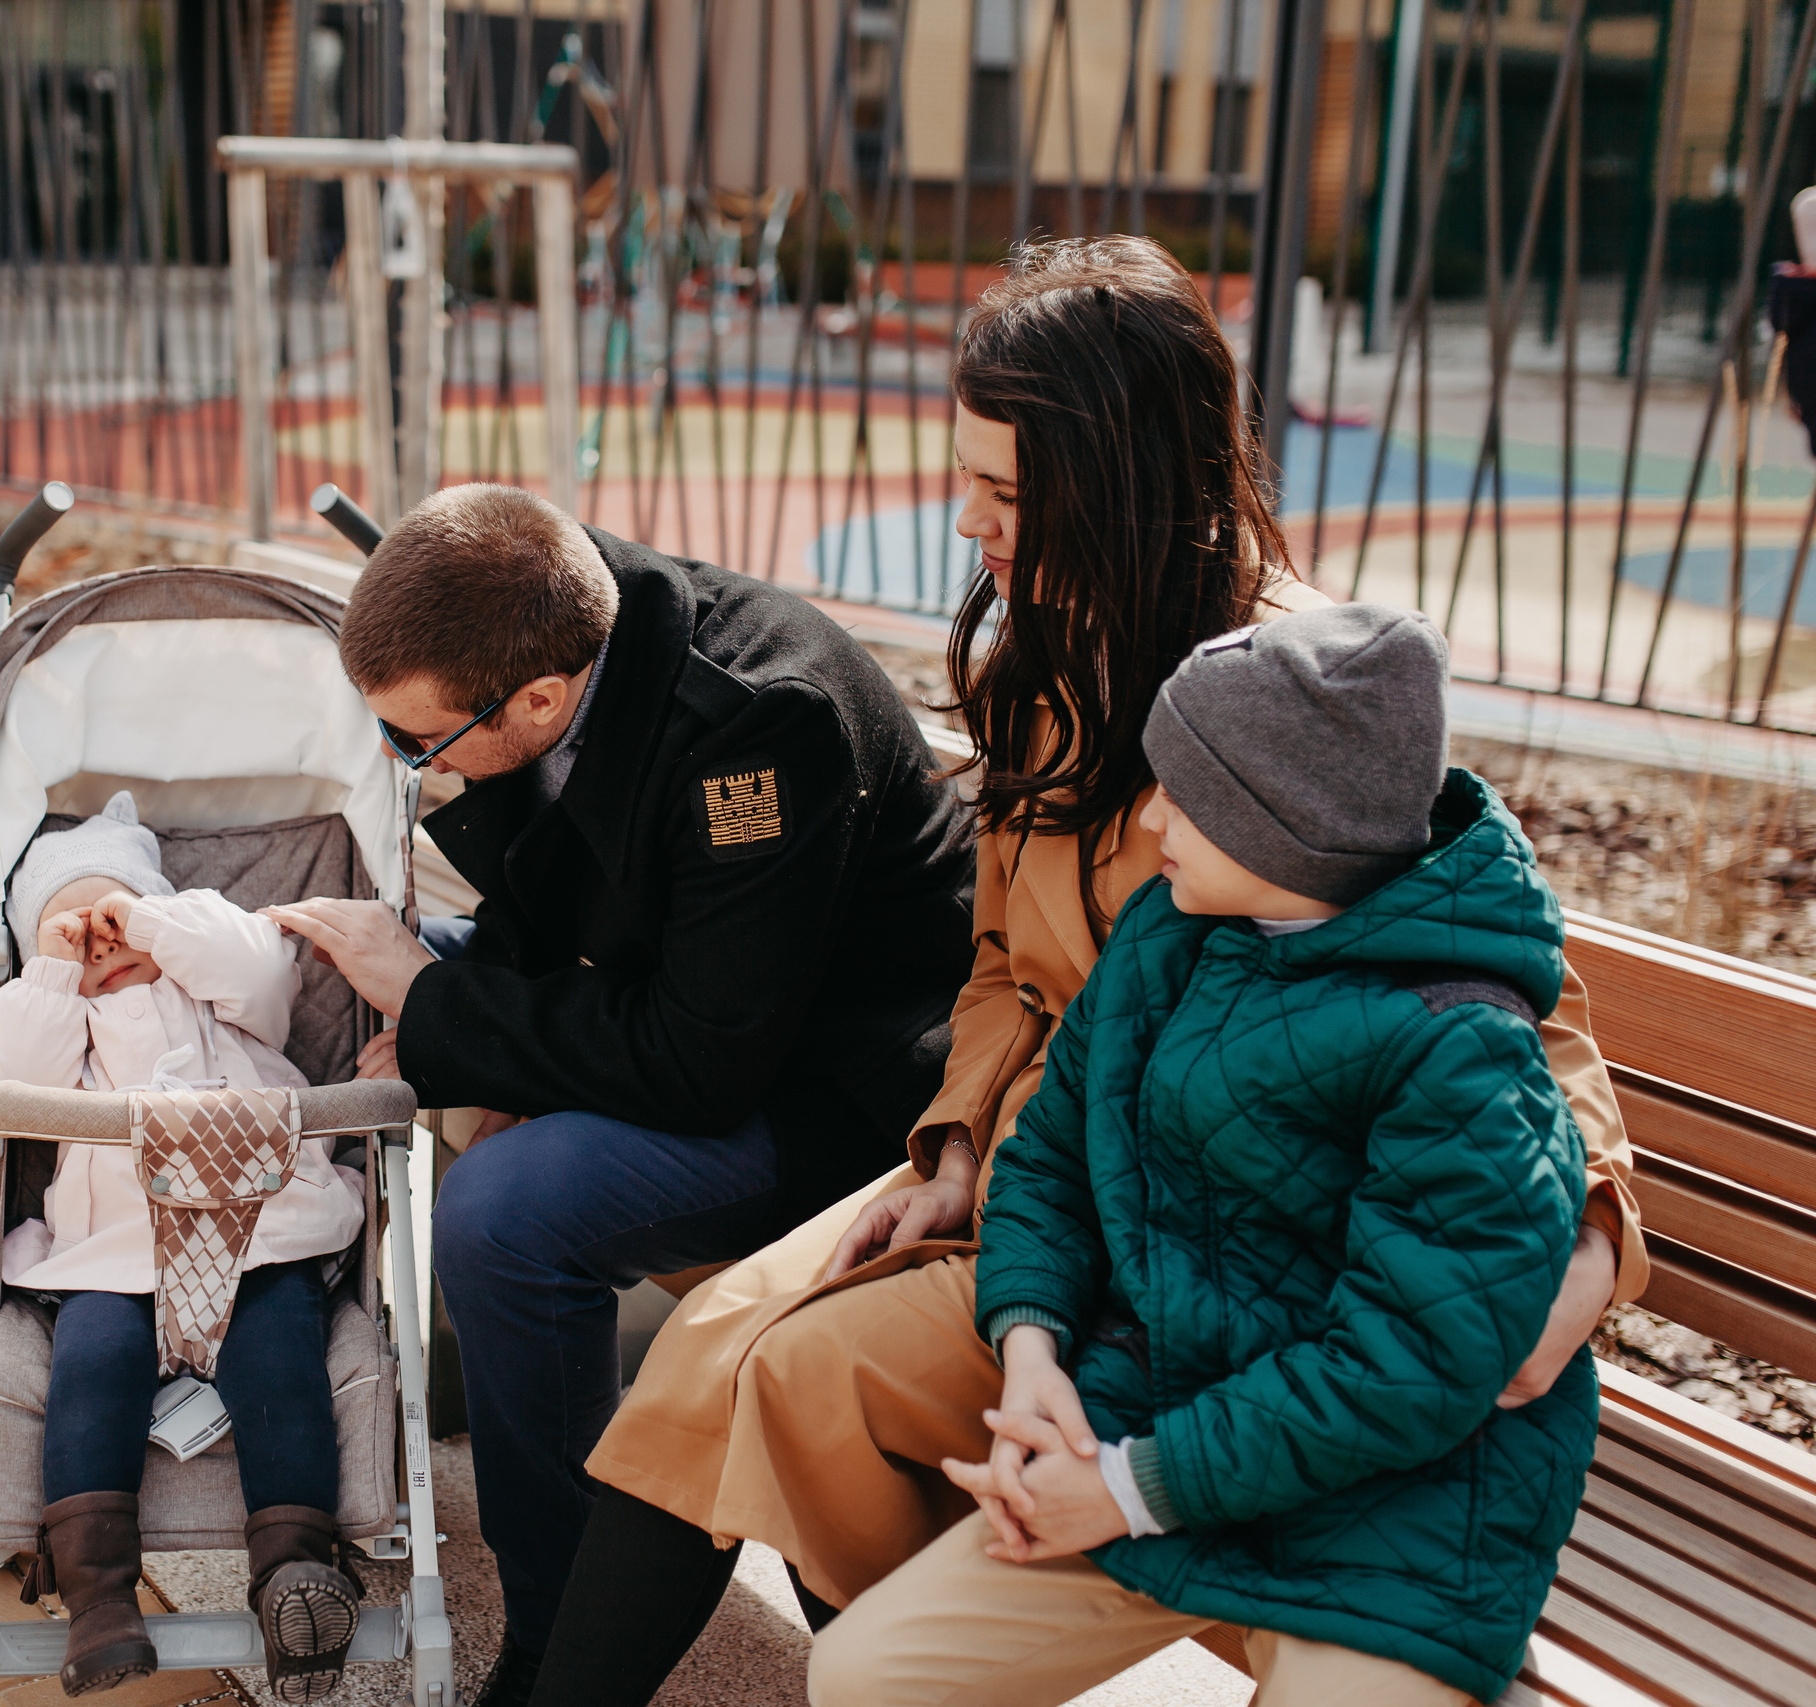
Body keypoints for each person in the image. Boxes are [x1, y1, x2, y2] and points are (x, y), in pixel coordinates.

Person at [530, 235, 1644, 1706]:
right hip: (1053, 1176)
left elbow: (1504, 993)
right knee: (725, 1347)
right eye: (968, 481)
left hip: (1231, 1235)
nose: (967, 525)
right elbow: (1001, 962)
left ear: (1121, 479)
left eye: (1006, 493)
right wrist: (952, 1144)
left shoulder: (1303, 692)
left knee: (787, 1371)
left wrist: (1593, 1238)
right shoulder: (1052, 667)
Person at [810, 602, 1598, 1706]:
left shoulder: (1464, 1049)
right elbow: (1050, 1159)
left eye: (1186, 791)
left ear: (1284, 824)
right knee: (865, 1674)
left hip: (1393, 1510)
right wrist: (1031, 1351)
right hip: (1158, 1423)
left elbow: (1405, 1369)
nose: (1149, 815)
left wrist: (1128, 1490)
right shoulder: (1167, 936)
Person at [266, 481, 978, 1703]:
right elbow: (580, 909)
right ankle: (568, 1596)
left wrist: (452, 1024)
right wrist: (447, 1015)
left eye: (413, 741)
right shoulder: (554, 620)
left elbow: (701, 1062)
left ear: (537, 698)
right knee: (357, 969)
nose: (401, 764)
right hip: (697, 1011)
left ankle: (558, 1631)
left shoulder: (758, 729)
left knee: (505, 1211)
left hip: (835, 1097)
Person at [0, 793, 367, 1702]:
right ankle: (98, 1599)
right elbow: (19, 1072)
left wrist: (152, 919)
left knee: (280, 1356)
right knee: (93, 1365)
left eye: (114, 916)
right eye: (72, 932)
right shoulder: (68, 1033)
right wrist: (51, 969)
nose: (100, 943)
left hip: (257, 1234)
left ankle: (293, 1565)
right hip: (117, 1255)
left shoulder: (220, 998)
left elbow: (262, 965)